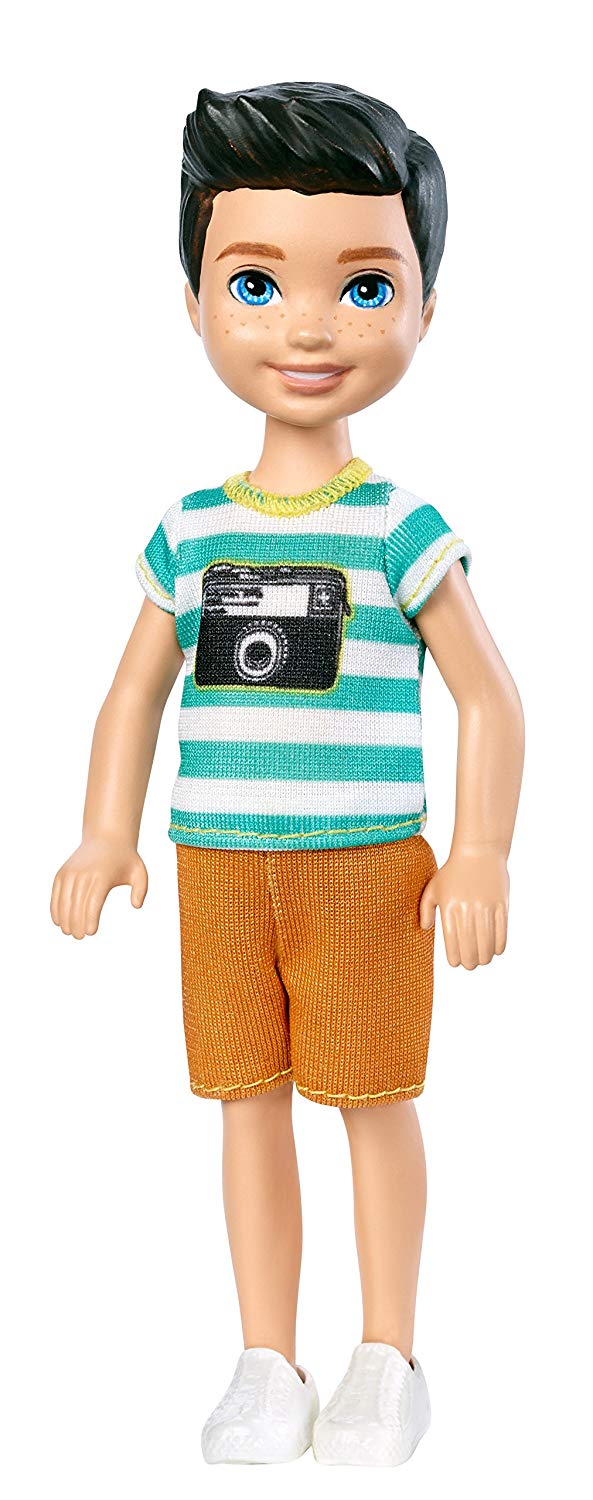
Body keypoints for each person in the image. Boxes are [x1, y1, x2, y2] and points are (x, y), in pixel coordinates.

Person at [50, 81, 525, 1467]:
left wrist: (482, 850)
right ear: (195, 302)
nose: (307, 328)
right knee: (243, 1102)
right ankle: (267, 1355)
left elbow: (490, 694)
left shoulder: (400, 526)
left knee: (373, 1101)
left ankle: (388, 1352)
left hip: (369, 867)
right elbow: (135, 687)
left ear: (425, 307)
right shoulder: (191, 529)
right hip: (218, 866)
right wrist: (105, 829)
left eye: (363, 286)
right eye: (255, 284)